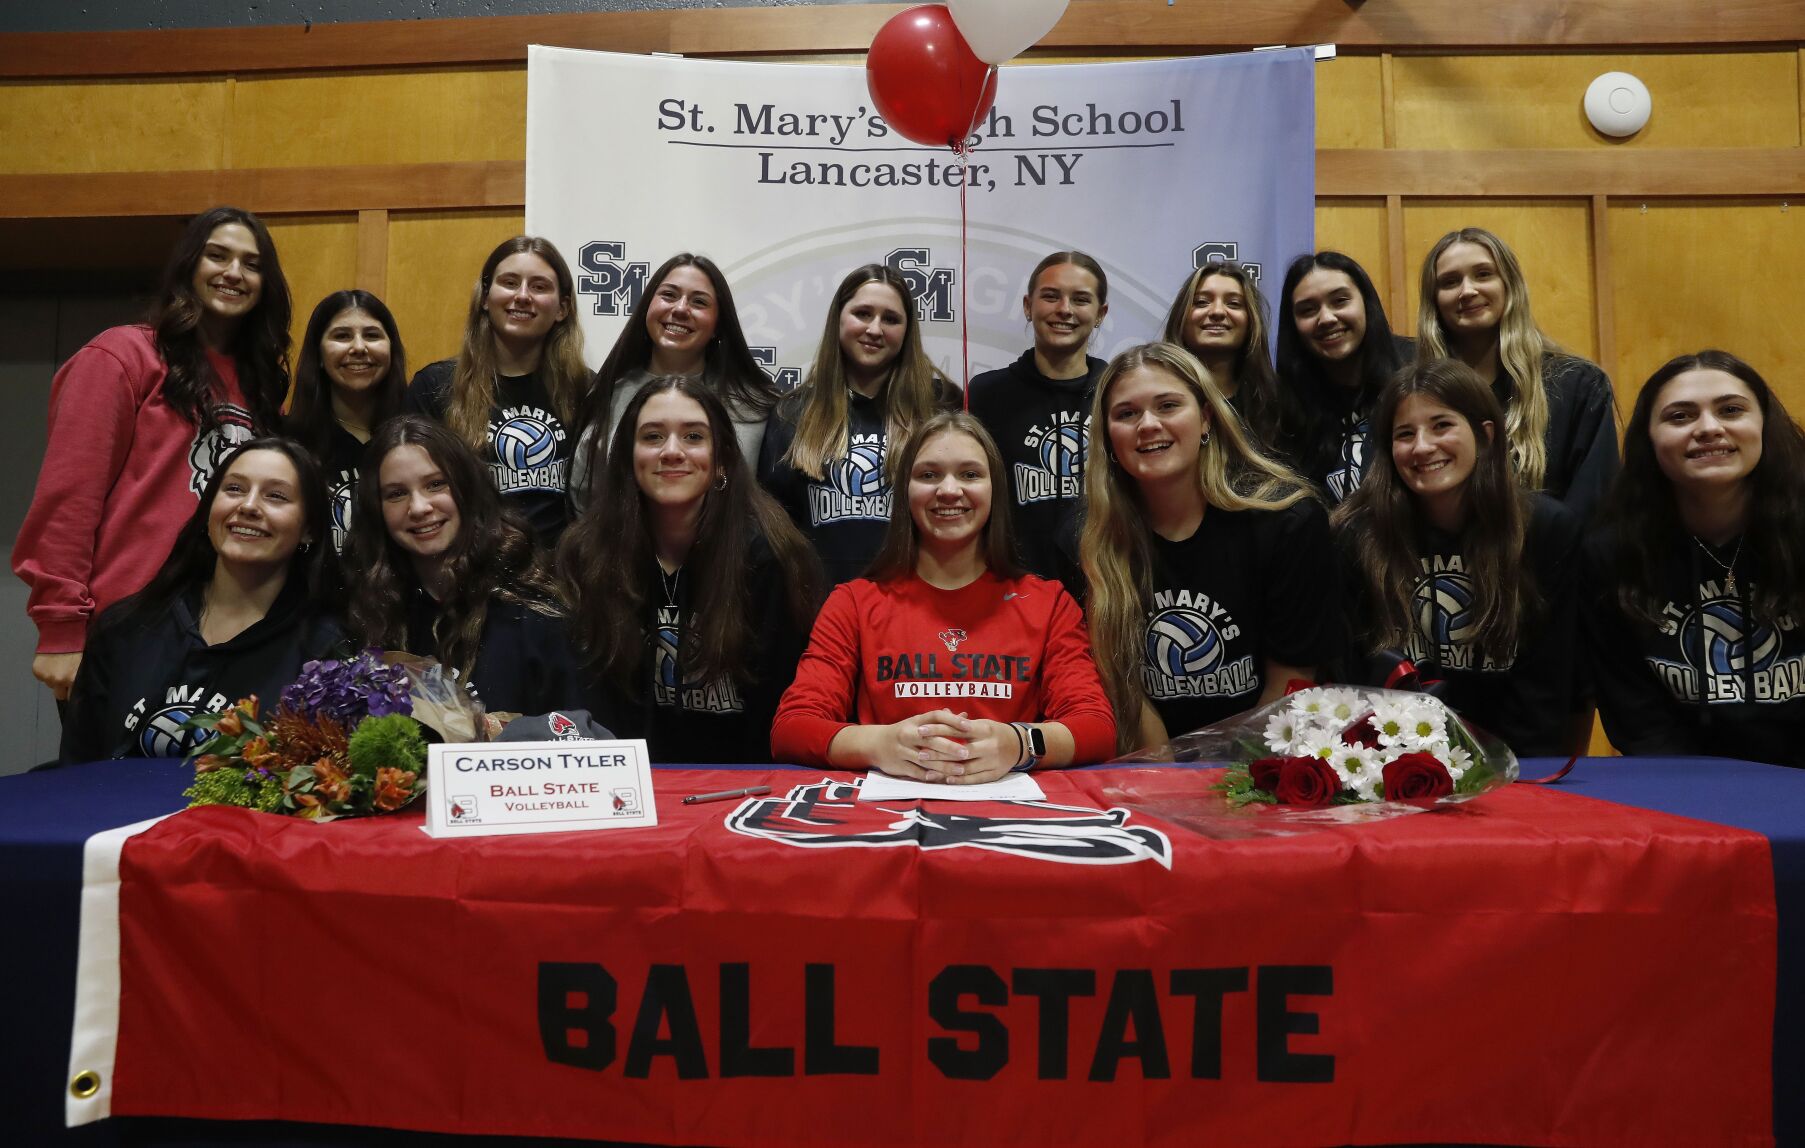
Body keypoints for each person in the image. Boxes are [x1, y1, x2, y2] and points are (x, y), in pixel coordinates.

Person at [17, 205, 292, 702]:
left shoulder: (262, 387)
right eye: (217, 255)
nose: (234, 272)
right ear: (189, 265)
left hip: (227, 640)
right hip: (127, 632)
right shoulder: (122, 356)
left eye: (252, 264)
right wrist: (60, 626)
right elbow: (69, 499)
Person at [771, 412, 1115, 779]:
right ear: (905, 491)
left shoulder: (1048, 603)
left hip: (1005, 805)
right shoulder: (853, 603)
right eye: (929, 475)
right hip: (890, 806)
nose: (949, 490)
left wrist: (1019, 743)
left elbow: (1096, 728)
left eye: (970, 474)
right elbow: (791, 728)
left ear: (995, 489)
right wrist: (878, 744)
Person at [1079, 342, 1338, 753]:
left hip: (1258, 761)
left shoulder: (1288, 522)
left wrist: (1228, 781)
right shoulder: (1092, 538)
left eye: (1168, 406)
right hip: (1151, 763)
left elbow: (1289, 687)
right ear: (1109, 439)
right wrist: (1166, 774)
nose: (1148, 424)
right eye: (1126, 414)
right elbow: (1123, 685)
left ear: (1205, 419)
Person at [562, 377, 821, 763]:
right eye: (652, 436)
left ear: (722, 460)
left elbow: (779, 712)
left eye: (693, 437)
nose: (671, 451)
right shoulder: (587, 554)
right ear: (628, 457)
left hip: (742, 777)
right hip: (628, 778)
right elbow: (589, 702)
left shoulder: (770, 556)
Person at [1332, 360, 1581, 757]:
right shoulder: (1355, 534)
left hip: (1514, 761)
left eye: (1441, 425)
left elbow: (1548, 687)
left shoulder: (1546, 529)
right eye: (1405, 434)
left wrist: (1509, 773)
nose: (1422, 446)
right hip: (1389, 762)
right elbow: (1349, 681)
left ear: (1485, 436)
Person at [61, 439, 343, 763]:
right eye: (234, 489)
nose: (249, 506)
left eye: (275, 496)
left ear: (309, 529)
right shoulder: (124, 629)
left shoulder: (326, 654)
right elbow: (77, 768)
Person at [1585, 351, 1805, 766]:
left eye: (1731, 410)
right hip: (1680, 785)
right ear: (1649, 439)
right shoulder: (1611, 553)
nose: (1708, 428)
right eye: (1680, 416)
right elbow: (1636, 716)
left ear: (1765, 425)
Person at [345, 416, 584, 718]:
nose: (419, 507)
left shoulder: (535, 615)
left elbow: (580, 734)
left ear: (467, 488)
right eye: (396, 494)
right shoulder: (373, 615)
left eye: (435, 484)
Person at [758, 263, 961, 585]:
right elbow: (774, 529)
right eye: (863, 314)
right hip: (820, 604)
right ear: (839, 318)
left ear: (907, 331)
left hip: (917, 603)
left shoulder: (940, 407)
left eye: (890, 319)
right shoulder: (792, 413)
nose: (875, 329)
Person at [1415, 226, 1618, 518]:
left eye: (1483, 274)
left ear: (1510, 285)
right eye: (1450, 282)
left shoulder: (1578, 385)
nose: (1467, 291)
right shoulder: (1414, 395)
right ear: (1434, 300)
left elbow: (1594, 508)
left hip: (1551, 546)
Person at [405, 235, 587, 549]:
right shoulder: (433, 386)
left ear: (562, 308)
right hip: (464, 569)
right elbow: (410, 490)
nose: (523, 296)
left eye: (539, 286)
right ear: (485, 298)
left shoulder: (587, 390)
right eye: (510, 283)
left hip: (560, 572)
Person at [569, 253, 781, 511]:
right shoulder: (606, 394)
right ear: (647, 307)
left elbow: (774, 504)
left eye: (699, 302)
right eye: (669, 295)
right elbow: (583, 498)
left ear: (718, 324)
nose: (680, 309)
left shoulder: (755, 405)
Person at [967, 250, 1110, 578]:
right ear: (1028, 306)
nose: (1065, 309)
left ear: (1100, 314)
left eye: (1080, 299)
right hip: (1013, 587)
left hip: (1105, 586)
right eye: (1051, 296)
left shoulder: (1119, 393)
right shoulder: (987, 394)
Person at [1275, 251, 1413, 503]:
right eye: (1308, 310)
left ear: (1366, 303)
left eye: (1340, 301)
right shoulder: (1285, 405)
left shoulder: (1416, 370)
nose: (1326, 318)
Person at [286, 290, 407, 553]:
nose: (359, 348)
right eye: (342, 336)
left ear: (391, 349)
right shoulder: (287, 442)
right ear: (319, 355)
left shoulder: (414, 438)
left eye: (372, 335)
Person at [1160, 259, 1296, 460]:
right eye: (1202, 302)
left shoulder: (1277, 403)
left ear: (1251, 320)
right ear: (1181, 316)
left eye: (1234, 304)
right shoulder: (1155, 397)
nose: (1217, 312)